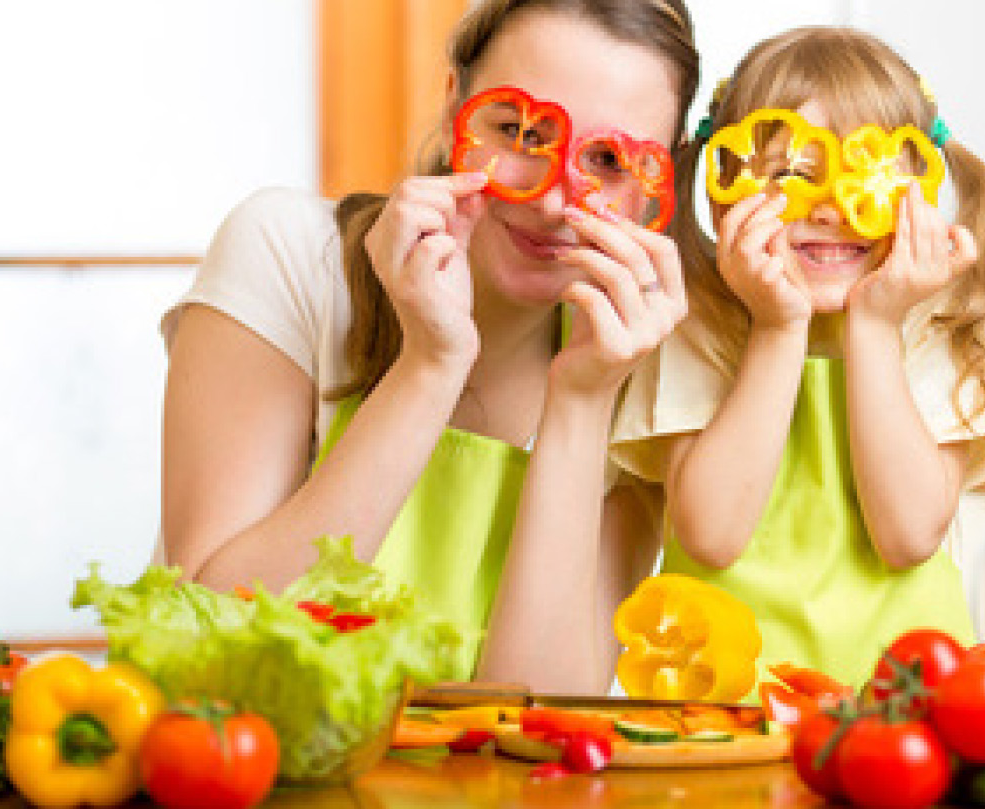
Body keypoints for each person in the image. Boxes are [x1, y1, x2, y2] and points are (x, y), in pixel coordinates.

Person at [160, 0, 699, 694]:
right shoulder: (289, 254)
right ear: (456, 108)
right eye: (519, 131)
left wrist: (582, 402)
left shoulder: (636, 359)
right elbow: (211, 640)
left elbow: (540, 723)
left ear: (667, 176)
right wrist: (430, 365)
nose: (552, 203)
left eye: (608, 160)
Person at [611, 27, 985, 686]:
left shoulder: (941, 325)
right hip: (724, 706)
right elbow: (711, 533)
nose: (830, 208)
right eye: (791, 173)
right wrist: (776, 327)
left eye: (864, 171)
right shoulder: (691, 323)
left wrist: (876, 325)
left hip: (906, 709)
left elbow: (907, 536)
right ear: (724, 189)